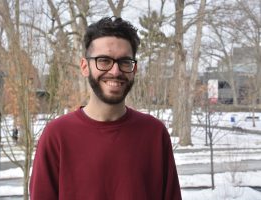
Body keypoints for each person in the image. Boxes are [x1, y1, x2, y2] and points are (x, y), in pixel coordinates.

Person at [30, 16, 181, 200]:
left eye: (125, 62)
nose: (115, 71)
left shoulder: (155, 134)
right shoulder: (57, 136)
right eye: (104, 60)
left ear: (134, 69)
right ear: (85, 66)